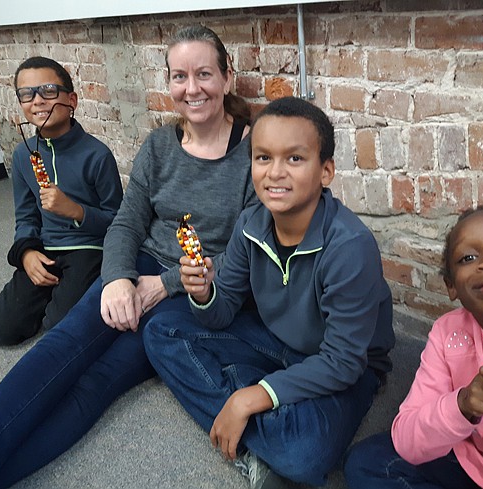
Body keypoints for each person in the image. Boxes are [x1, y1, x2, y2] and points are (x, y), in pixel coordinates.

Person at [0, 25, 257, 489]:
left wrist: (165, 286)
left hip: (196, 290)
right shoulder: (160, 145)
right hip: (137, 266)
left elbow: (243, 251)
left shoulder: (256, 152)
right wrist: (118, 276)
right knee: (59, 350)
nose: (192, 88)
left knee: (98, 382)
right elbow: (126, 222)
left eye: (204, 74)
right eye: (179, 76)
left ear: (226, 76)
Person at [143, 96, 396, 489]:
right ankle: (263, 423)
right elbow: (221, 313)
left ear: (325, 170)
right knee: (161, 331)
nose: (275, 173)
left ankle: (247, 404)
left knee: (303, 454)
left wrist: (249, 398)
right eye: (263, 158)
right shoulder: (251, 224)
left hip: (346, 368)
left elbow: (344, 363)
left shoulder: (350, 246)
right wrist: (204, 292)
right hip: (275, 342)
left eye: (294, 159)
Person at [344, 207, 483, 488]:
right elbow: (406, 440)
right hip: (472, 462)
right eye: (469, 257)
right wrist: (462, 405)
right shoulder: (449, 334)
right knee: (366, 462)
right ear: (451, 286)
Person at [0, 56, 123, 346]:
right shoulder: (23, 156)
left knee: (61, 331)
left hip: (89, 248)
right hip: (47, 248)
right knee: (2, 328)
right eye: (26, 94)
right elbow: (26, 216)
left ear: (71, 100)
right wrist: (26, 253)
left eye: (48, 90)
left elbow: (119, 221)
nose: (37, 101)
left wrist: (76, 211)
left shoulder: (97, 155)